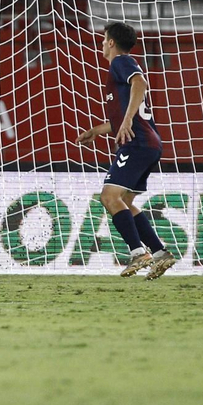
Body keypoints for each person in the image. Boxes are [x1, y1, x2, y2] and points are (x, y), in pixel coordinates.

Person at [75, 22, 176, 280]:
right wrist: (97, 130)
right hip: (149, 143)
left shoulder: (120, 62)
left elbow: (140, 83)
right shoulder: (121, 68)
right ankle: (159, 252)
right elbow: (125, 115)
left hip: (138, 142)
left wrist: (128, 120)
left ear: (111, 42)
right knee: (125, 202)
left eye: (103, 38)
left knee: (109, 197)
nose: (101, 42)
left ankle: (137, 252)